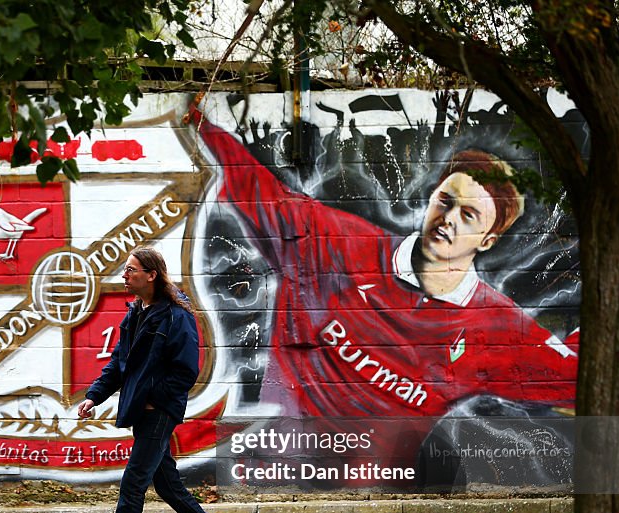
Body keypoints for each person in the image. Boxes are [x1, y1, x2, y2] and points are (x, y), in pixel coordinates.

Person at [188, 103, 578, 475]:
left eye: (469, 215)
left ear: (488, 240)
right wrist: (193, 119)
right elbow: (255, 187)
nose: (449, 220)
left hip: (374, 481)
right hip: (273, 457)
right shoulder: (337, 243)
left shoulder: (495, 326)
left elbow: (574, 376)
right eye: (446, 201)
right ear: (431, 198)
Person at [77, 246, 241, 513]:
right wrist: (94, 396)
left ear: (152, 275)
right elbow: (119, 364)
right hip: (143, 410)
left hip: (158, 411)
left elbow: (186, 371)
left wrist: (155, 400)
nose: (125, 275)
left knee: (133, 483)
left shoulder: (175, 316)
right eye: (125, 269)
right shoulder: (136, 313)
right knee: (167, 486)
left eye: (131, 269)